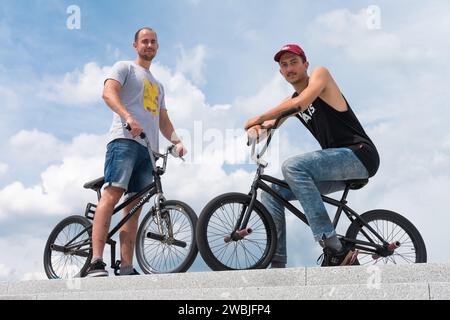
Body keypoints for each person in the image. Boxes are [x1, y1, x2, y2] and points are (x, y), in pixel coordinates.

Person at [245, 44, 379, 267]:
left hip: (360, 155)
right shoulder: (292, 100)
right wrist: (255, 130)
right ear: (280, 72)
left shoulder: (320, 75)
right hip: (335, 165)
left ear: (305, 64)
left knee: (293, 166)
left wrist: (256, 117)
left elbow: (300, 103)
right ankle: (276, 261)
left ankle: (331, 244)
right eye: (284, 65)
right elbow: (269, 125)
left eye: (294, 62)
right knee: (272, 193)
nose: (289, 68)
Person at [86, 27, 187, 277]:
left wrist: (177, 141)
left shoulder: (159, 85)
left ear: (158, 46)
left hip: (149, 151)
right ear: (135, 45)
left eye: (153, 41)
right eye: (144, 41)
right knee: (112, 194)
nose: (149, 45)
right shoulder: (124, 68)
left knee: (133, 208)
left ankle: (126, 266)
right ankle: (96, 261)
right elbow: (108, 93)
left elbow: (163, 119)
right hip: (124, 141)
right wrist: (128, 116)